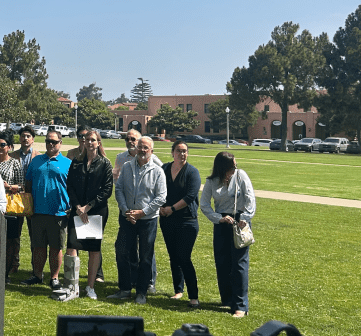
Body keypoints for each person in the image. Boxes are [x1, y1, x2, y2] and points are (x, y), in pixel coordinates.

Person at [54, 130, 113, 301]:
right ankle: (72, 286)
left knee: (93, 249)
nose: (89, 142)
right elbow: (70, 186)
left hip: (96, 211)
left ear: (98, 143)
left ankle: (90, 287)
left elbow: (107, 190)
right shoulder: (76, 162)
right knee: (72, 246)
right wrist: (78, 207)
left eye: (93, 140)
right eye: (86, 139)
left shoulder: (105, 163)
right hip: (77, 211)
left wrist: (88, 207)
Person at [110, 136, 166, 304]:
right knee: (122, 251)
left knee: (145, 256)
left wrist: (143, 212)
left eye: (145, 148)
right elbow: (119, 189)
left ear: (151, 151)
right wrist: (125, 210)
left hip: (147, 220)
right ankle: (125, 289)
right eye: (140, 147)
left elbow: (161, 197)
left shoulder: (158, 171)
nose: (142, 150)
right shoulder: (127, 167)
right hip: (127, 217)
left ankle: (141, 291)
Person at [200, 151, 256, 318]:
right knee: (222, 263)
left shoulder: (241, 175)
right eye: (231, 167)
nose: (234, 169)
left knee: (239, 264)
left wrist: (245, 218)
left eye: (235, 166)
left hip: (240, 222)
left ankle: (241, 305)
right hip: (222, 222)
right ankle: (227, 299)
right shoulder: (212, 181)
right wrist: (218, 218)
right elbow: (204, 204)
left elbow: (250, 198)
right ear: (222, 167)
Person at [21, 130, 71, 291]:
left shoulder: (67, 163)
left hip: (58, 213)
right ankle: (37, 275)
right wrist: (29, 206)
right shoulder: (36, 161)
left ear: (60, 143)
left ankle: (54, 277)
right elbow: (28, 184)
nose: (50, 144)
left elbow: (73, 188)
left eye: (54, 142)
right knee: (38, 246)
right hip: (37, 212)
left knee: (56, 247)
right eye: (48, 141)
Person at [158, 141, 201, 307]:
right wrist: (160, 208)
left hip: (187, 220)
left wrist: (172, 209)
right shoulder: (164, 169)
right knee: (173, 256)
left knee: (184, 257)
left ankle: (194, 296)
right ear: (172, 152)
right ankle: (178, 290)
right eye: (178, 151)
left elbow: (190, 196)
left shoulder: (192, 172)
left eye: (184, 151)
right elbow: (156, 189)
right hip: (167, 219)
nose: (182, 154)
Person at [0, 131, 25, 282]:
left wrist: (9, 186)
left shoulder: (15, 163)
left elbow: (22, 186)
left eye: (2, 145)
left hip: (9, 207)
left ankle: (5, 273)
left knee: (9, 241)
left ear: (9, 147)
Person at [11, 125, 40, 276]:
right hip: (15, 198)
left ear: (33, 139)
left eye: (28, 136)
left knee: (34, 235)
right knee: (14, 234)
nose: (25, 138)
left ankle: (35, 267)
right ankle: (13, 264)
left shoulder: (39, 157)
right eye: (23, 136)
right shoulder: (12, 155)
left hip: (33, 199)